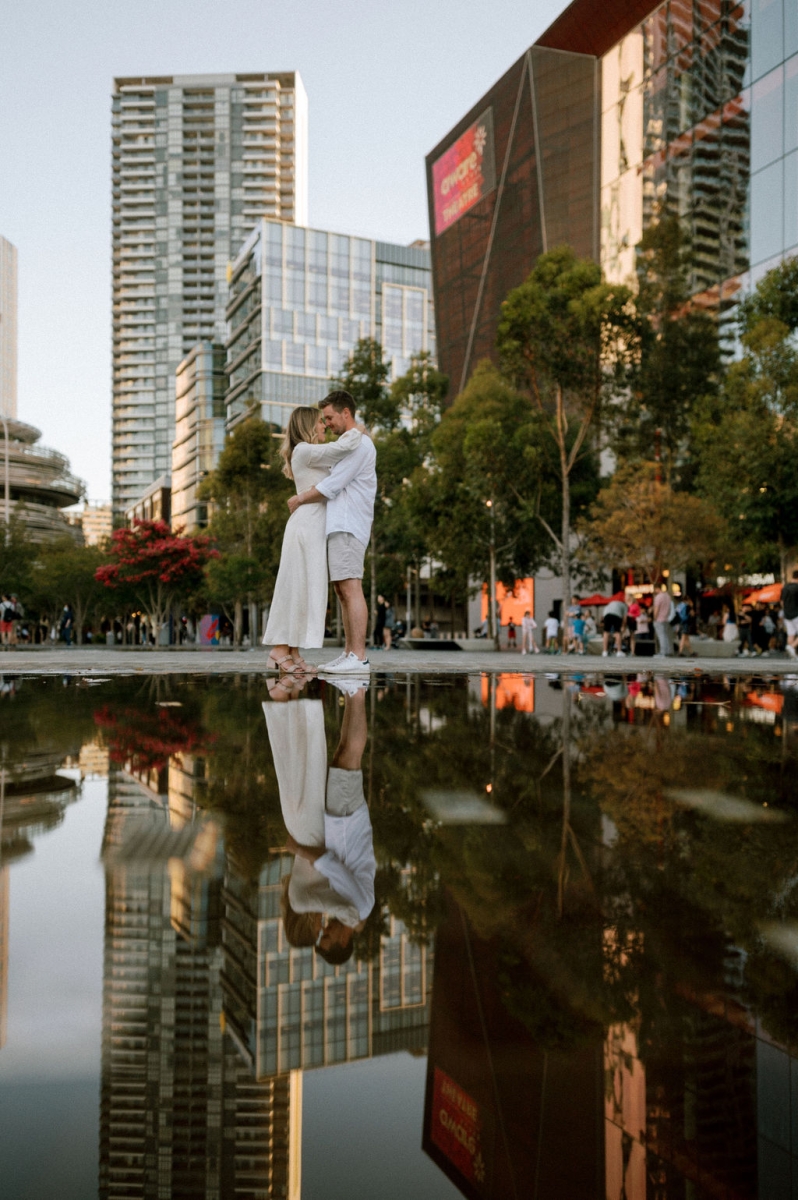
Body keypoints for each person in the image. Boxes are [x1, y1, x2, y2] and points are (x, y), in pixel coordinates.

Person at [264, 679, 375, 967]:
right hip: (348, 825)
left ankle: (354, 691)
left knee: (343, 755)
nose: (324, 929)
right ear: (342, 940)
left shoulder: (354, 910)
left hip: (342, 826)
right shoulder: (358, 909)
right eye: (327, 936)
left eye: (319, 933)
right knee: (349, 755)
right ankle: (357, 691)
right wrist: (297, 848)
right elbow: (331, 866)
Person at [263, 403, 362, 674]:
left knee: (304, 587)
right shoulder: (305, 450)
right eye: (320, 422)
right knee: (297, 587)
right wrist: (356, 430)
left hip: (313, 526)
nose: (324, 426)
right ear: (307, 425)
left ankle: (293, 652)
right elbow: (340, 449)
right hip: (307, 526)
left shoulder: (307, 453)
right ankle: (279, 650)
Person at [287, 391, 377, 675]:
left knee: (351, 587)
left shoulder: (359, 445)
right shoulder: (348, 444)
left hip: (350, 524)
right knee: (342, 590)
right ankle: (350, 652)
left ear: (345, 413)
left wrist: (300, 498)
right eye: (322, 419)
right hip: (339, 524)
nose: (326, 424)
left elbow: (333, 484)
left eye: (329, 417)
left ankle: (359, 656)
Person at [653, 584, 673, 657]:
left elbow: (657, 608)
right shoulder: (667, 596)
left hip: (659, 618)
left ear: (657, 588)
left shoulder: (658, 597)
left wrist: (654, 618)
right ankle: (668, 651)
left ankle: (662, 652)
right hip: (666, 618)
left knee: (661, 636)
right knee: (666, 635)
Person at [783, 568, 798, 659]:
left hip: (787, 614)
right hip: (796, 613)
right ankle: (791, 647)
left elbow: (782, 602)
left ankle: (792, 654)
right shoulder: (797, 587)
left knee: (791, 634)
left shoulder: (785, 587)